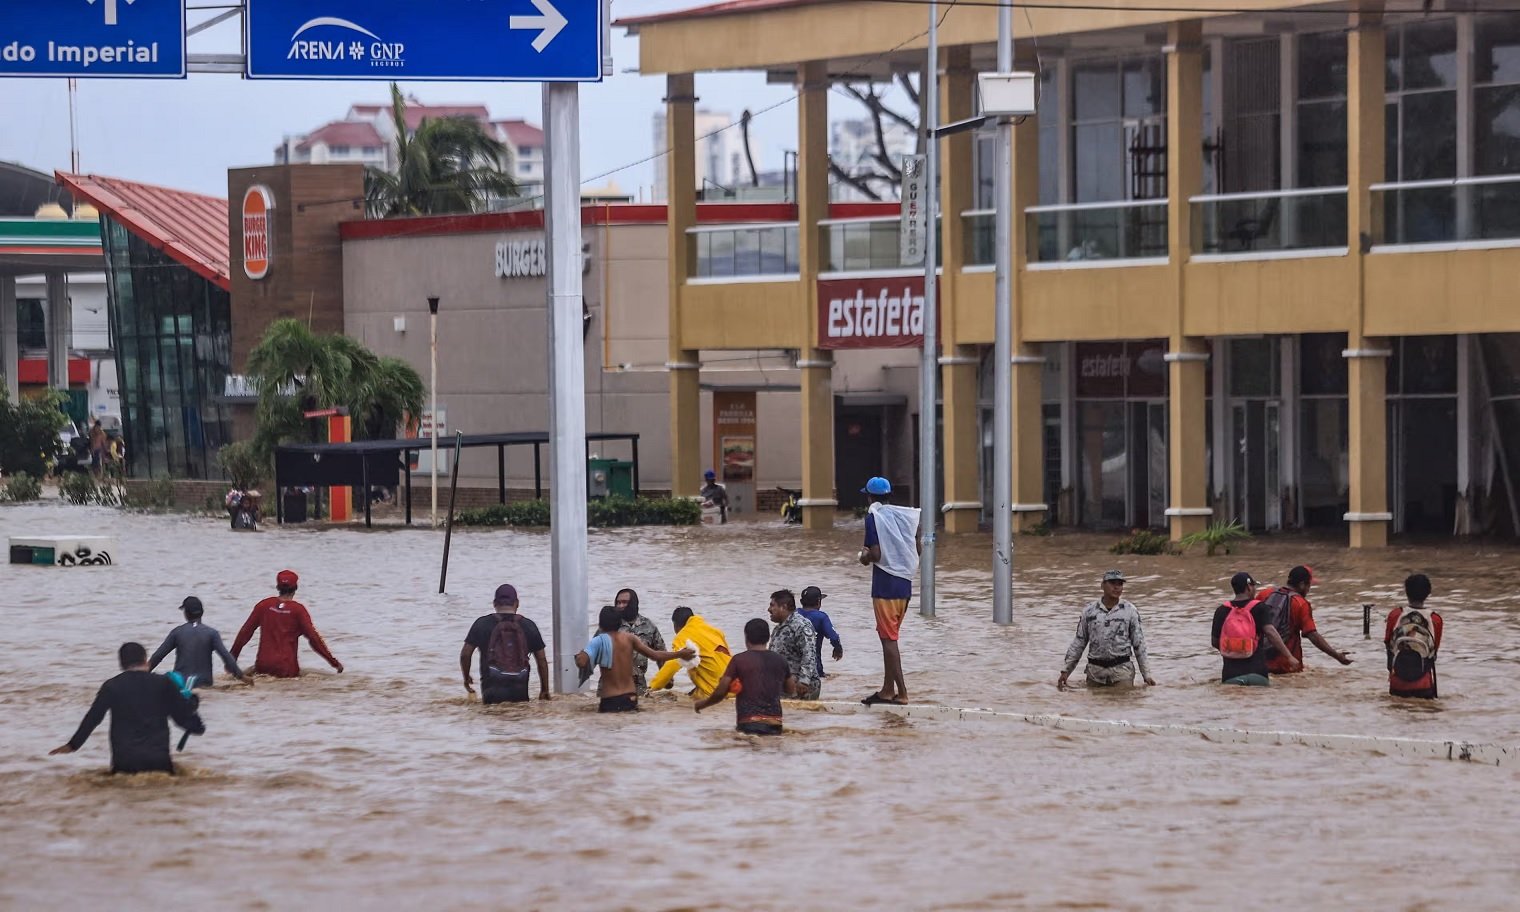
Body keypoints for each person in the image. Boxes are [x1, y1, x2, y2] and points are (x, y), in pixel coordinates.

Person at [50, 642, 205, 774]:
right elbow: (185, 721)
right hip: (158, 762)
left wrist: (72, 746)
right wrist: (192, 709)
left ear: (122, 664)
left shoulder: (111, 686)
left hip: (124, 763)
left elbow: (92, 719)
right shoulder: (164, 683)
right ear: (146, 660)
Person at [857, 477, 921, 706]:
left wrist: (863, 557)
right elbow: (918, 549)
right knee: (888, 637)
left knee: (889, 641)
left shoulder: (874, 518)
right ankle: (887, 690)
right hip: (904, 587)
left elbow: (875, 554)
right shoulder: (905, 517)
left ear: (869, 496)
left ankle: (902, 693)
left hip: (885, 589)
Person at [576, 606, 693, 713]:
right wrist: (680, 653)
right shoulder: (630, 639)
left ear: (601, 624)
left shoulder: (598, 641)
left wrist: (579, 656)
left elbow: (582, 662)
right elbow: (655, 655)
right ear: (619, 623)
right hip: (630, 697)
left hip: (610, 700)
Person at [231, 570, 344, 678]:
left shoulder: (263, 605)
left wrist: (231, 659)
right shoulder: (298, 610)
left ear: (277, 587)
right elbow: (314, 638)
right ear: (296, 588)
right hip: (286, 668)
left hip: (263, 665)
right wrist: (334, 662)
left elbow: (245, 632)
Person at [1058, 570, 1158, 690]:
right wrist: (1065, 671)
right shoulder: (1089, 611)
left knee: (1122, 703)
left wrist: (1146, 675)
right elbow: (1079, 643)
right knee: (1095, 705)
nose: (1116, 587)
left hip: (1122, 672)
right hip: (1095, 673)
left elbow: (1139, 645)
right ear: (1102, 585)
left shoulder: (1130, 611)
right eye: (1112, 583)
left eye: (1120, 584)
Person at [695, 618, 796, 735]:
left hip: (748, 723)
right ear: (768, 638)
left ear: (746, 638)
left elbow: (720, 691)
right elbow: (790, 689)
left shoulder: (739, 660)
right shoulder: (780, 660)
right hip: (775, 723)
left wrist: (702, 704)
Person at [461, 584, 551, 704]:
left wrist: (466, 678)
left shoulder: (481, 624)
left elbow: (465, 654)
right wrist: (544, 690)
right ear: (517, 603)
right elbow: (542, 660)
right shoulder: (529, 626)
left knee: (492, 716)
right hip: (520, 691)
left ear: (494, 603)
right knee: (518, 714)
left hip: (491, 692)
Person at [1256, 565, 1353, 674]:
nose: (1308, 590)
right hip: (1288, 666)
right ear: (1302, 585)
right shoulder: (1300, 604)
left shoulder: (1265, 594)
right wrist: (1337, 656)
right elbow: (1312, 635)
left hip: (1260, 663)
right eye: (1308, 586)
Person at [1210, 572, 1299, 686]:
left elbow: (1215, 642)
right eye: (1253, 586)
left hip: (1231, 676)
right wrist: (1289, 656)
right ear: (1248, 587)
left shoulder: (1221, 611)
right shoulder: (1260, 607)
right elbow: (1271, 633)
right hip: (1258, 674)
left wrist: (1234, 649)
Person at [149, 596, 253, 688]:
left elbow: (158, 656)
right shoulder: (212, 633)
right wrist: (241, 676)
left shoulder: (177, 632)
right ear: (202, 612)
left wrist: (142, 674)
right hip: (205, 683)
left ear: (185, 613)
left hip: (181, 684)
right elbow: (226, 657)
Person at [649, 606, 733, 699]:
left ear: (675, 625)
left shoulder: (683, 636)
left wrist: (652, 687)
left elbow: (672, 664)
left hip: (714, 693)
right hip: (736, 688)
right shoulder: (715, 631)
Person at [1384, 573, 1443, 699]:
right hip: (1424, 684)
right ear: (1428, 593)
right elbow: (1433, 652)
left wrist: (1391, 671)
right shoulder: (1435, 619)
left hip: (1397, 682)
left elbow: (1388, 646)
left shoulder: (1395, 615)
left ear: (1406, 592)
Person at [767, 589, 820, 700]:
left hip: (801, 687)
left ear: (784, 607)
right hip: (784, 685)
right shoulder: (778, 628)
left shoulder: (801, 625)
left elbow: (809, 654)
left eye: (772, 605)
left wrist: (804, 681)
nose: (769, 609)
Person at [615, 588, 666, 694]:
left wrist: (666, 677)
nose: (620, 606)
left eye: (624, 602)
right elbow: (595, 650)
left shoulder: (648, 626)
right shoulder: (609, 624)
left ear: (633, 604)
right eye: (618, 602)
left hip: (638, 688)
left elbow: (661, 653)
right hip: (612, 686)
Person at [798, 585, 843, 682]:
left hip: (792, 668)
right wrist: (838, 648)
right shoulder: (821, 617)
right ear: (818, 602)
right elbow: (834, 637)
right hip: (814, 668)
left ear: (801, 602)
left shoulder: (793, 614)